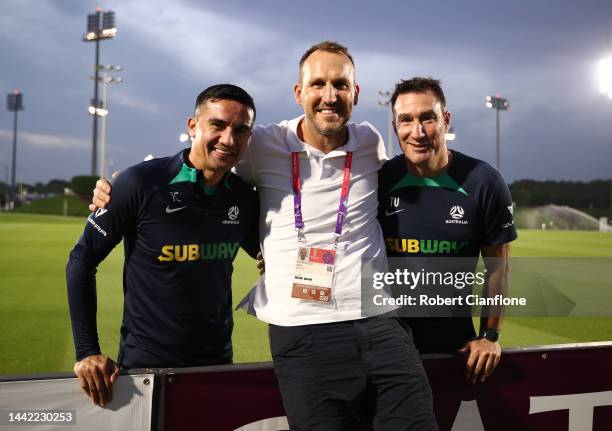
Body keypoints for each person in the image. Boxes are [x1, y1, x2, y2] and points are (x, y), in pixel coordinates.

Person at [91, 42, 438, 430]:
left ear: (355, 93)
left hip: (381, 322)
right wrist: (120, 184)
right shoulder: (263, 145)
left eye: (340, 84)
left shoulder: (369, 140)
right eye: (318, 83)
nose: (329, 95)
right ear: (298, 93)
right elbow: (205, 155)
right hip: (302, 328)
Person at [67, 84, 259, 407]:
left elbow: (272, 253)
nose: (228, 139)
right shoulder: (141, 183)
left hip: (216, 369)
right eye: (218, 125)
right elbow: (81, 260)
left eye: (241, 130)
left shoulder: (244, 198)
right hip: (143, 373)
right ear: (193, 126)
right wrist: (87, 351)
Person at [378, 77, 517, 383]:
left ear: (446, 120)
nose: (418, 132)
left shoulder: (484, 182)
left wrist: (490, 335)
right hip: (385, 348)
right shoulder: (379, 180)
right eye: (406, 120)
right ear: (395, 126)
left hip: (455, 349)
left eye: (428, 118)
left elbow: (498, 267)